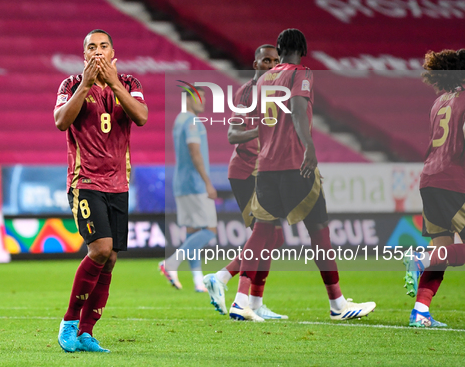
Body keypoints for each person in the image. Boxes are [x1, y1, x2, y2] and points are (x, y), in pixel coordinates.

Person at [229, 28, 376, 321]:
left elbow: (260, 121)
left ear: (279, 49)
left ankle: (240, 299)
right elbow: (297, 111)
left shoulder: (262, 80)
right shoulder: (302, 73)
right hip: (295, 162)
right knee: (319, 230)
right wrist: (309, 148)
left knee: (262, 231)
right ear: (303, 49)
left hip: (267, 165)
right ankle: (338, 304)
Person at [54, 29, 148, 353]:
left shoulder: (130, 84)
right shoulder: (70, 85)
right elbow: (61, 121)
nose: (97, 51)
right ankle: (68, 323)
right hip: (86, 183)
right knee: (100, 249)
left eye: (103, 46)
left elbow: (142, 117)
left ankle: (86, 332)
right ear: (83, 56)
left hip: (119, 185)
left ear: (113, 53)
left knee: (110, 261)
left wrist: (114, 83)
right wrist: (86, 83)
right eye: (91, 47)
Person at [203, 45, 287, 320]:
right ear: (255, 64)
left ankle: (253, 300)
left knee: (272, 236)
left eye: (276, 60)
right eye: (266, 60)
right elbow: (232, 134)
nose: (272, 64)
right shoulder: (249, 92)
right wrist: (260, 129)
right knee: (264, 234)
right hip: (246, 171)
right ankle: (231, 287)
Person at [403, 48, 465, 328]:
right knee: (437, 254)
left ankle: (420, 312)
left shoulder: (440, 101)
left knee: (443, 249)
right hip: (456, 180)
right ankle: (422, 257)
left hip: (430, 179)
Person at [159, 88, 217, 292]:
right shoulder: (192, 121)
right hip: (195, 184)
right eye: (198, 97)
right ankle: (171, 263)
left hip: (182, 183)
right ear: (187, 99)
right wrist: (207, 182)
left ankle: (198, 280)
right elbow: (195, 152)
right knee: (210, 230)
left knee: (192, 232)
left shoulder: (179, 120)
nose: (203, 102)